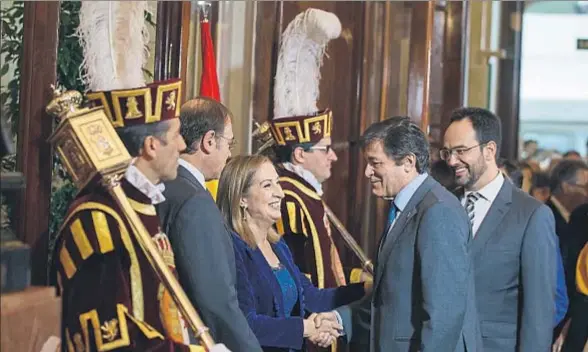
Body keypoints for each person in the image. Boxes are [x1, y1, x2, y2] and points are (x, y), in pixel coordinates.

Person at [55, 79, 227, 351]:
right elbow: (112, 341)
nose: (182, 145)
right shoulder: (98, 220)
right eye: (176, 135)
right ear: (151, 146)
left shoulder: (141, 206)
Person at [322, 117, 481, 351]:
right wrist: (339, 319)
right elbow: (390, 297)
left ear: (408, 162)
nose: (367, 172)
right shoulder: (406, 207)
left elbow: (443, 317)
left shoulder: (438, 212)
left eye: (375, 163)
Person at [216, 155, 367, 351]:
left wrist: (365, 289)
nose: (279, 193)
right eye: (267, 185)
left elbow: (312, 298)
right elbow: (244, 323)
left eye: (277, 183)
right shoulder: (232, 248)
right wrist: (306, 328)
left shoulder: (278, 246)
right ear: (242, 198)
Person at [268, 8, 368, 297]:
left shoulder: (306, 193)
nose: (333, 156)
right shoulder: (288, 198)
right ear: (299, 154)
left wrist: (355, 278)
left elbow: (325, 267)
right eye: (325, 149)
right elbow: (299, 275)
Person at [442, 107, 557, 352]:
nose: (452, 160)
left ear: (489, 150)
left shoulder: (531, 215)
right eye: (447, 152)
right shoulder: (441, 205)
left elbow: (538, 313)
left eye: (461, 151)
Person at [157, 97, 263, 351]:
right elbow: (216, 300)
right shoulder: (195, 201)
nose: (229, 152)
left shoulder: (165, 185)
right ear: (209, 141)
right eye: (229, 143)